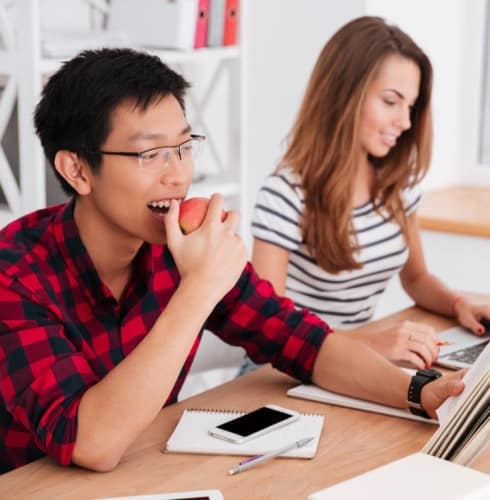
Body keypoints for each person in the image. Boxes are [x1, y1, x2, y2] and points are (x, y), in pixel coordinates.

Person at [0, 47, 464, 475]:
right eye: (151, 154)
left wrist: (418, 392)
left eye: (184, 147)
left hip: (145, 472)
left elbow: (302, 341)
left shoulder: (182, 242)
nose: (179, 174)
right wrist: (199, 289)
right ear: (77, 169)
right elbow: (89, 442)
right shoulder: (15, 272)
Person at [241, 16, 490, 375]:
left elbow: (417, 279)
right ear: (344, 95)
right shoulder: (286, 195)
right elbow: (269, 330)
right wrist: (373, 344)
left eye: (411, 106)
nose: (405, 122)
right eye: (391, 101)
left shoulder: (397, 188)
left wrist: (458, 304)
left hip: (353, 366)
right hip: (282, 372)